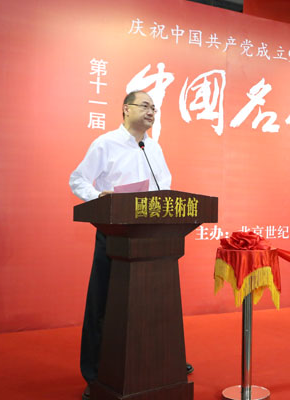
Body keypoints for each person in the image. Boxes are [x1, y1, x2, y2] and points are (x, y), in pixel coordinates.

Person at [70, 91, 191, 400]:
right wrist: (99, 197)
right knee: (103, 305)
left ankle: (161, 362)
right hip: (115, 234)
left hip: (151, 238)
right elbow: (78, 180)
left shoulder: (154, 147)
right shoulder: (106, 143)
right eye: (145, 106)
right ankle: (96, 373)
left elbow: (164, 186)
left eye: (154, 108)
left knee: (152, 303)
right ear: (126, 109)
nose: (152, 112)